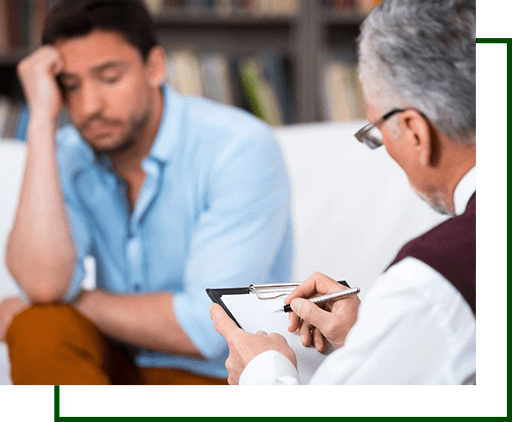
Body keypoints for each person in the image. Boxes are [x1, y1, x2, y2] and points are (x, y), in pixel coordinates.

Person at [0, 0, 293, 385]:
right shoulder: (69, 152)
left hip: (213, 378)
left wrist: (73, 299)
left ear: (154, 66)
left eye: (109, 77)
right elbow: (43, 286)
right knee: (39, 323)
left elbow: (205, 326)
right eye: (71, 86)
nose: (89, 106)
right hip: (113, 365)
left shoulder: (237, 147)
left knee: (40, 311)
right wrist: (41, 120)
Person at [211, 0, 476, 386]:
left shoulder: (432, 285)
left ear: (416, 132)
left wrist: (262, 371)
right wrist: (372, 339)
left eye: (378, 134)